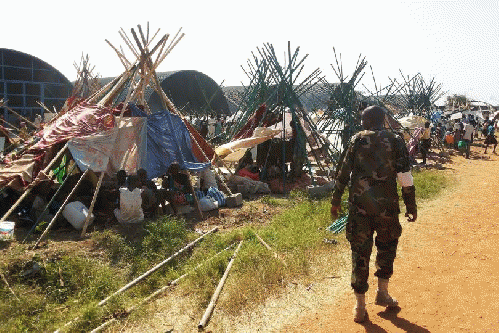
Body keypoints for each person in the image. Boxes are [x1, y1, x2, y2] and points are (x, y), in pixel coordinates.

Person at [330, 106, 417, 323]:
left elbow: (343, 173)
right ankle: (382, 293)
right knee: (387, 248)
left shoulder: (356, 140)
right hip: (387, 208)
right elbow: (404, 175)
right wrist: (411, 204)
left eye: (362, 119)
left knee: (360, 253)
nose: (360, 123)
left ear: (369, 120)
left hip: (359, 209)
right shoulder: (396, 140)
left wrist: (335, 200)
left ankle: (360, 307)